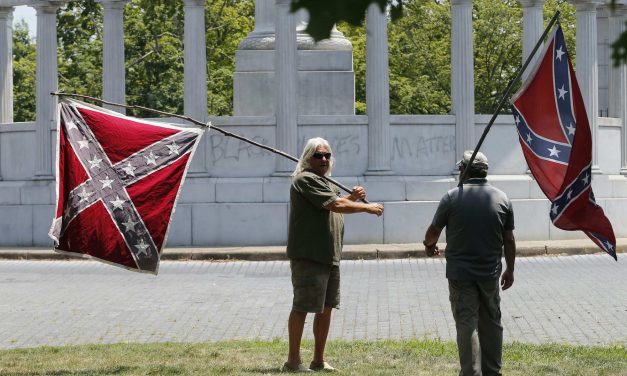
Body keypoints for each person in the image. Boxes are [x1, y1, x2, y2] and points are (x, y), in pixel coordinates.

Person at [283, 137, 384, 373]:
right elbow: (335, 206)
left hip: (329, 255)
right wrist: (367, 207)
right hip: (310, 255)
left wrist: (352, 199)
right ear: (308, 158)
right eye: (318, 155)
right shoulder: (305, 179)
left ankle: (318, 360)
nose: (324, 159)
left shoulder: (324, 182)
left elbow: (335, 205)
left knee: (326, 308)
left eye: (327, 155)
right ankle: (293, 361)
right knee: (302, 306)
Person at [423, 150, 516, 376]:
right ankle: (493, 371)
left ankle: (470, 372)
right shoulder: (502, 198)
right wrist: (510, 269)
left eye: (460, 169)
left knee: (467, 323)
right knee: (492, 322)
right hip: (490, 273)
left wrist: (428, 245)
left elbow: (434, 231)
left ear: (464, 170)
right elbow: (509, 239)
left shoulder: (452, 197)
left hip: (460, 274)